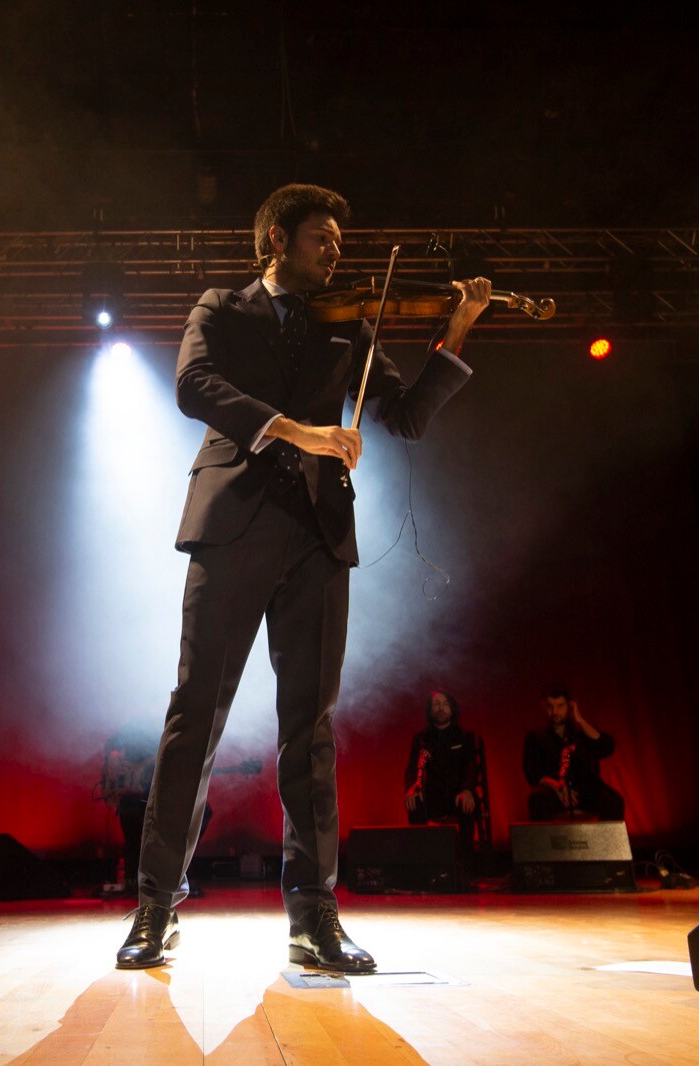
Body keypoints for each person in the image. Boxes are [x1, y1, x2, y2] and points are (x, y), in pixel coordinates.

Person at [117, 183, 492, 971]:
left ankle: (314, 918)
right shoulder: (223, 306)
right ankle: (156, 908)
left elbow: (408, 416)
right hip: (233, 525)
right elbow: (194, 387)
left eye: (338, 241)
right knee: (195, 715)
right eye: (321, 237)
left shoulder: (349, 325)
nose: (335, 250)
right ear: (276, 242)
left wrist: (454, 335)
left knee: (310, 732)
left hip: (319, 537)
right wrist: (295, 430)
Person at [99, 719, 211, 897]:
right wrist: (115, 764)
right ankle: (133, 879)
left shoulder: (167, 735)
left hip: (159, 798)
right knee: (131, 817)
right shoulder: (128, 735)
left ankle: (175, 873)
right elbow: (111, 748)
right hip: (135, 801)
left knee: (203, 811)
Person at [522, 685, 625, 822]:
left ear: (569, 706)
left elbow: (606, 747)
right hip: (556, 792)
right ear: (544, 707)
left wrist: (580, 720)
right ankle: (546, 844)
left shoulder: (582, 731)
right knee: (537, 802)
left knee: (614, 801)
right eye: (550, 706)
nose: (555, 711)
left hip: (587, 791)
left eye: (560, 706)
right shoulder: (535, 736)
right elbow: (531, 772)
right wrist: (555, 785)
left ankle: (603, 843)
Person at [403, 690, 487, 851]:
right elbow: (412, 768)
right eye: (436, 704)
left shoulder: (465, 736)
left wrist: (468, 789)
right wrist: (411, 788)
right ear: (430, 710)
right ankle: (422, 856)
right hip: (432, 794)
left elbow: (471, 766)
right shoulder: (421, 738)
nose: (441, 708)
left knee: (466, 802)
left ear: (452, 709)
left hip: (458, 791)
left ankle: (466, 860)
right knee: (414, 801)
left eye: (445, 704)